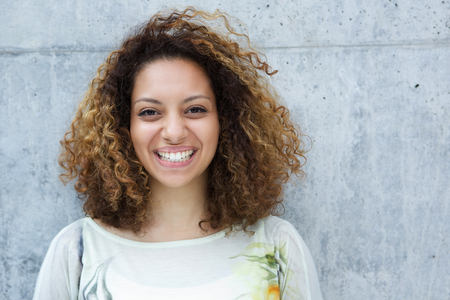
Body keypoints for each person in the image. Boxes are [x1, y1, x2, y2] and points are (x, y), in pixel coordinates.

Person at [33, 7, 322, 300]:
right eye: (149, 112)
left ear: (226, 119)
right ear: (123, 126)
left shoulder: (276, 246)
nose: (174, 131)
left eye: (195, 109)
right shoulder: (78, 250)